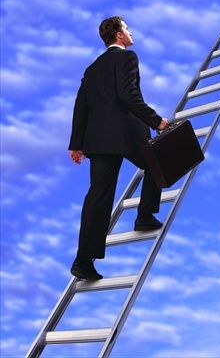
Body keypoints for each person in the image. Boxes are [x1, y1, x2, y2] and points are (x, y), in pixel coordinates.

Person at [68, 16, 169, 281]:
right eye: (126, 28)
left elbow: (81, 107)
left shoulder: (92, 69)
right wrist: (156, 120)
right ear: (119, 36)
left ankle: (83, 261)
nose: (131, 31)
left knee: (98, 197)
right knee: (158, 162)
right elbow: (128, 96)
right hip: (127, 133)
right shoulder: (128, 58)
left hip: (98, 140)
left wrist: (76, 144)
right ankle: (145, 216)